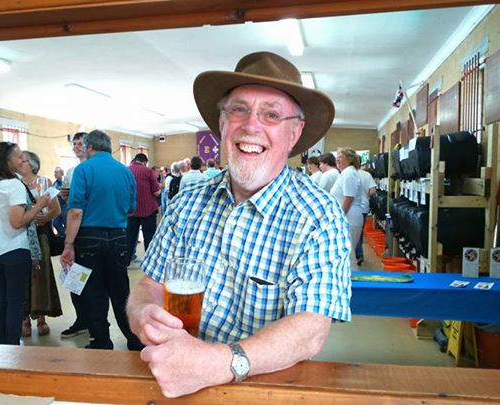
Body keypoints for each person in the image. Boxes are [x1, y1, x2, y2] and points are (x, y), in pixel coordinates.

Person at [126, 51, 352, 398]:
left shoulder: (319, 216)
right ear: (222, 122)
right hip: (174, 387)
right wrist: (143, 313)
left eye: (271, 114)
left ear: (294, 133)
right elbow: (150, 283)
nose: (251, 126)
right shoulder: (187, 201)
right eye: (239, 110)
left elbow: (311, 329)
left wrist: (217, 363)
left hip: (263, 393)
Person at [60, 130, 144, 351]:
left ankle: (101, 341)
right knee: (121, 292)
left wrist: (68, 245)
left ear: (89, 147)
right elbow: (131, 208)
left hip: (88, 238)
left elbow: (76, 211)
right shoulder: (125, 172)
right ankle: (134, 339)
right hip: (118, 236)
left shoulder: (83, 170)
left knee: (93, 291)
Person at [0, 141, 50, 345]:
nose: (22, 160)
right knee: (15, 301)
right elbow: (17, 221)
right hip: (13, 249)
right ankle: (11, 346)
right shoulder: (14, 185)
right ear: (7, 160)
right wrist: (39, 205)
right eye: (19, 157)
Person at [18, 151, 63, 337]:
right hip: (20, 234)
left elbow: (56, 209)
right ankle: (24, 319)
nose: (20, 163)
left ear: (33, 164)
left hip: (40, 233)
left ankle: (41, 318)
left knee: (41, 274)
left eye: (23, 160)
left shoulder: (45, 182)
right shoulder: (15, 183)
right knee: (22, 275)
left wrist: (45, 218)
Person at [59, 132, 91, 339]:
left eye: (81, 143)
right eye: (75, 144)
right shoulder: (71, 171)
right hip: (73, 229)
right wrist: (66, 197)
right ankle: (82, 319)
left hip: (88, 228)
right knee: (75, 277)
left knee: (92, 281)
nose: (77, 147)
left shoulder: (92, 169)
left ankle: (95, 320)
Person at [329, 148, 365, 269]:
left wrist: (340, 216)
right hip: (348, 217)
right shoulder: (346, 173)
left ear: (350, 159)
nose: (337, 159)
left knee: (348, 254)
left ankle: (353, 278)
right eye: (336, 157)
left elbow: (349, 198)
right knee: (346, 253)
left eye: (340, 157)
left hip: (349, 218)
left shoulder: (349, 174)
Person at [127, 153, 161, 264]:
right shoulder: (148, 171)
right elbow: (156, 192)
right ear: (145, 162)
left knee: (130, 237)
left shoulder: (126, 170)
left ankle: (127, 260)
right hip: (148, 210)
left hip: (131, 211)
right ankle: (149, 261)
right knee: (149, 236)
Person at [355, 165, 377, 265]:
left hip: (352, 207)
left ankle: (357, 254)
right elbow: (373, 190)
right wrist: (365, 196)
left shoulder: (347, 174)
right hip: (364, 207)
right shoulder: (366, 175)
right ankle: (359, 254)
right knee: (359, 232)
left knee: (353, 232)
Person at [52, 166, 67, 236]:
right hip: (58, 205)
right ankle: (63, 234)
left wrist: (57, 193)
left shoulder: (65, 181)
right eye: (54, 173)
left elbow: (65, 192)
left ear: (61, 173)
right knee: (55, 222)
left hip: (65, 205)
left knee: (66, 222)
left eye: (56, 172)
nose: (54, 174)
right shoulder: (55, 183)